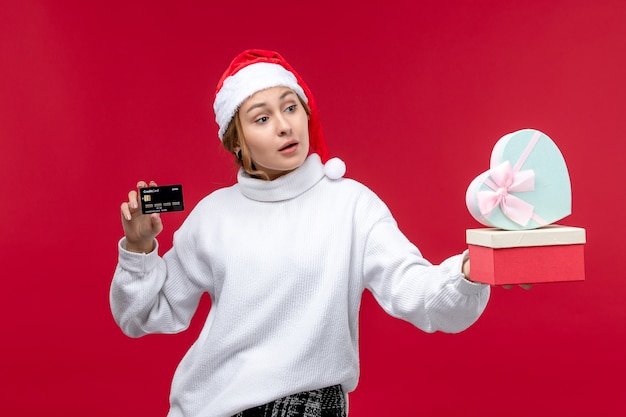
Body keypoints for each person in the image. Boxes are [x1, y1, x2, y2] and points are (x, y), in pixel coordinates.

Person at [110, 49, 491, 417]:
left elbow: (415, 289)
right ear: (237, 142)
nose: (284, 125)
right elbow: (144, 315)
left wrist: (468, 274)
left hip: (310, 406)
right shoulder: (213, 215)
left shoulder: (351, 205)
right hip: (209, 404)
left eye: (291, 108)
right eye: (261, 118)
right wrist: (139, 249)